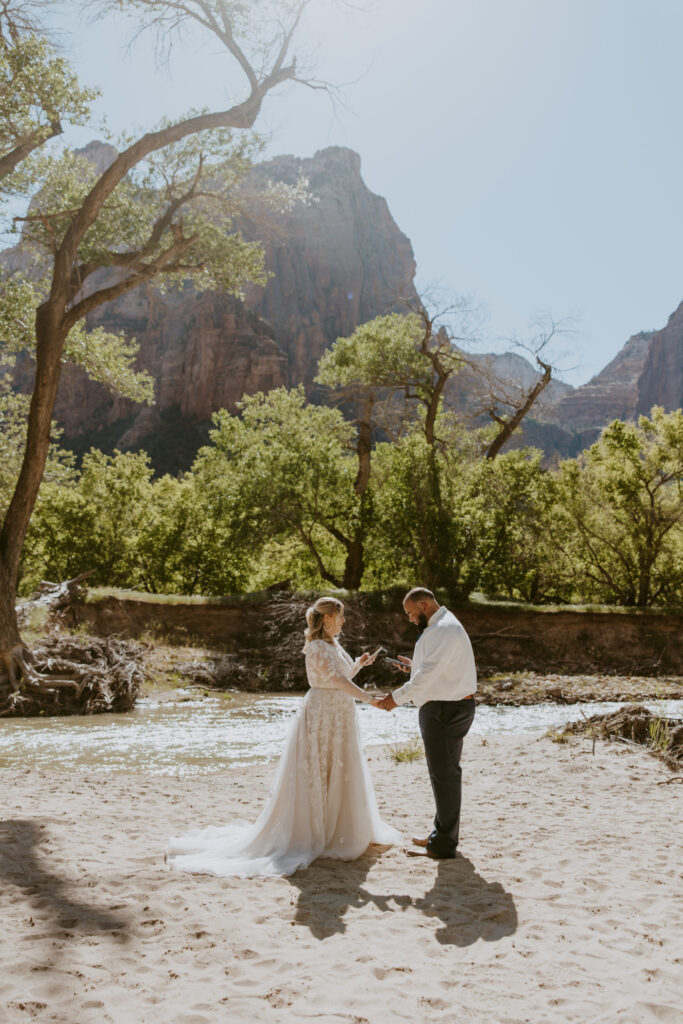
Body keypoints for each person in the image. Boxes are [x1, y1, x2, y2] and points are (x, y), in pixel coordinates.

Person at [165, 596, 400, 877]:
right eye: (340, 616)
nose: (344, 621)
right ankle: (318, 831)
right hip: (323, 712)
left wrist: (360, 665)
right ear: (326, 619)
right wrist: (368, 699)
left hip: (339, 713)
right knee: (321, 767)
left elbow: (343, 675)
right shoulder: (315, 646)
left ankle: (337, 826)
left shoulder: (333, 644)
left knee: (338, 766)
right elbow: (334, 681)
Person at [377, 587, 477, 860]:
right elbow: (436, 666)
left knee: (444, 777)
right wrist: (414, 666)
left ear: (423, 605)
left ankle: (443, 845)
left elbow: (430, 674)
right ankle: (440, 833)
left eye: (410, 613)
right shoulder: (441, 626)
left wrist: (394, 699)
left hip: (445, 709)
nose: (409, 619)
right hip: (445, 706)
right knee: (442, 776)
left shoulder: (444, 629)